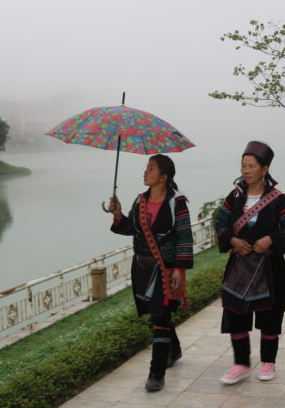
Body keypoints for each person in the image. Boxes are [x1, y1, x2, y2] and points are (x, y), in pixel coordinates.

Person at [214, 141, 285, 385]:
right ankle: (241, 364)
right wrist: (232, 239)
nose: (245, 170)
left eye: (251, 165)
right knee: (234, 312)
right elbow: (220, 223)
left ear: (265, 169)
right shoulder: (235, 197)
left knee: (270, 315)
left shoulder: (277, 199)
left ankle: (268, 362)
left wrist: (270, 239)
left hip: (269, 269)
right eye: (243, 165)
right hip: (239, 268)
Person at [107, 154, 193, 391]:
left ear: (164, 176)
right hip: (142, 267)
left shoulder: (177, 202)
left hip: (164, 268)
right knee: (158, 315)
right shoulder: (140, 201)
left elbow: (185, 236)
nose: (145, 172)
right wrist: (118, 213)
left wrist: (179, 268)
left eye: (151, 168)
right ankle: (173, 350)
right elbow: (131, 229)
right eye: (147, 167)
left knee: (159, 318)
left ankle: (157, 373)